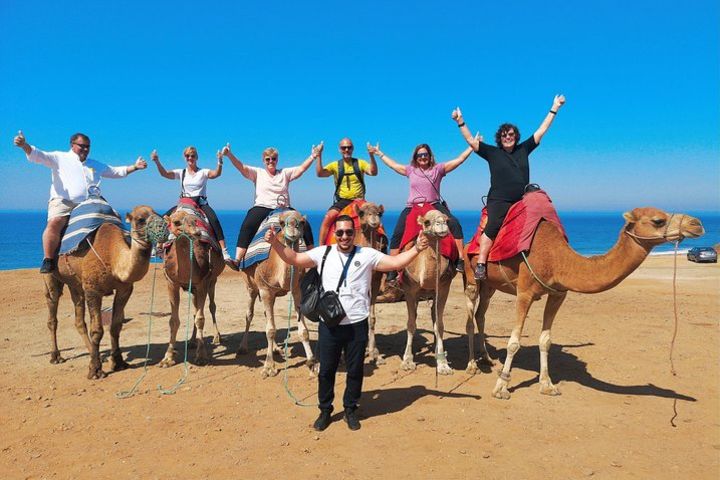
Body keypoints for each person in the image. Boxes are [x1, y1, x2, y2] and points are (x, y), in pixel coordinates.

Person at [265, 214, 429, 431]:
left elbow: (395, 263)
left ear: (355, 233)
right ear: (334, 234)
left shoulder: (367, 254)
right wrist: (275, 243)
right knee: (326, 371)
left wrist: (417, 248)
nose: (344, 236)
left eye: (349, 232)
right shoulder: (323, 253)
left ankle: (350, 409)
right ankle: (325, 410)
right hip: (329, 324)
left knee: (354, 370)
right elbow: (294, 258)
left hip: (357, 323)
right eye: (340, 232)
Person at [452, 95, 566, 280]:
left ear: (516, 136)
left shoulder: (524, 149)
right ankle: (481, 263)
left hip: (522, 199)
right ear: (500, 138)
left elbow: (542, 129)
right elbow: (472, 142)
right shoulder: (492, 152)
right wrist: (460, 121)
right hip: (499, 200)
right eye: (504, 135)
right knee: (493, 225)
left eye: (511, 134)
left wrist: (555, 107)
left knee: (542, 218)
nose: (508, 137)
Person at [14, 130, 147, 273]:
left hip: (89, 202)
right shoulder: (59, 157)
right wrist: (24, 145)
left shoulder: (94, 164)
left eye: (87, 147)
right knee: (55, 223)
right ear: (72, 145)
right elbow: (37, 155)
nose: (85, 149)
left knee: (115, 219)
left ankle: (126, 253)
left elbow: (115, 171)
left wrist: (135, 167)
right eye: (81, 146)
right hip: (63, 202)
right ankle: (48, 259)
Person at [369, 142, 475, 279]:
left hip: (433, 204)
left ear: (430, 156)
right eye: (419, 155)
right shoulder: (410, 170)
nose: (422, 157)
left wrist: (471, 147)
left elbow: (459, 160)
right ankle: (392, 268)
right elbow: (393, 165)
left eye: (425, 154)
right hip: (412, 206)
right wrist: (379, 153)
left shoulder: (438, 169)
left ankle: (459, 259)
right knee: (398, 233)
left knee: (454, 223)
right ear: (415, 157)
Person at [222, 141, 323, 270]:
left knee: (305, 224)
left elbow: (301, 169)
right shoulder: (258, 172)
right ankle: (237, 259)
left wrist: (313, 156)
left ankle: (313, 260)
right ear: (263, 161)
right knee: (248, 225)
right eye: (268, 159)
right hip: (262, 207)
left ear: (277, 160)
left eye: (273, 159)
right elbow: (242, 167)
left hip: (284, 208)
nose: (271, 161)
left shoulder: (284, 173)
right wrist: (229, 154)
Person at [151, 146, 231, 260]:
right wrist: (157, 161)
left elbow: (216, 174)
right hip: (184, 203)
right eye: (187, 156)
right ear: (185, 158)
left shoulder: (203, 172)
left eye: (192, 156)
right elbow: (165, 174)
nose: (190, 158)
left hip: (200, 203)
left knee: (214, 220)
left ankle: (224, 250)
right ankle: (158, 246)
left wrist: (220, 161)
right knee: (161, 219)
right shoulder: (181, 172)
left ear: (196, 157)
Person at [316, 138, 378, 244]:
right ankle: (321, 249)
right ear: (340, 150)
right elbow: (320, 173)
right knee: (328, 217)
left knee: (374, 217)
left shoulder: (360, 163)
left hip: (360, 201)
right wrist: (319, 155)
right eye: (343, 148)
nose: (346, 150)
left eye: (349, 147)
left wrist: (371, 155)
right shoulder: (335, 165)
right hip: (342, 201)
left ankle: (381, 246)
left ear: (352, 149)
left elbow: (373, 172)